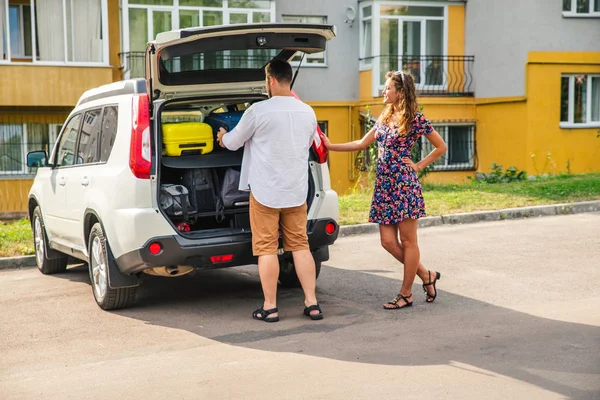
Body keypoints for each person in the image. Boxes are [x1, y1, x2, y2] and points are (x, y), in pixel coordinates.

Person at [322, 70, 447, 310]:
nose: (383, 91)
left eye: (388, 87)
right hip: (384, 186)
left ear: (400, 92)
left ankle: (406, 293)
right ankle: (426, 274)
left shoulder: (416, 119)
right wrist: (330, 146)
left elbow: (441, 146)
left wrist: (419, 165)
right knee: (388, 241)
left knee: (408, 242)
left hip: (404, 186)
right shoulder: (384, 116)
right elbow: (361, 143)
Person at [216, 60, 323, 322]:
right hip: (296, 191)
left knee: (266, 248)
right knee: (300, 246)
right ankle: (312, 304)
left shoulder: (258, 111)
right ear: (288, 79)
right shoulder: (307, 112)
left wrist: (221, 136)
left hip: (266, 193)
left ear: (271, 80)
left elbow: (233, 142)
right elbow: (309, 143)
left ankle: (270, 307)